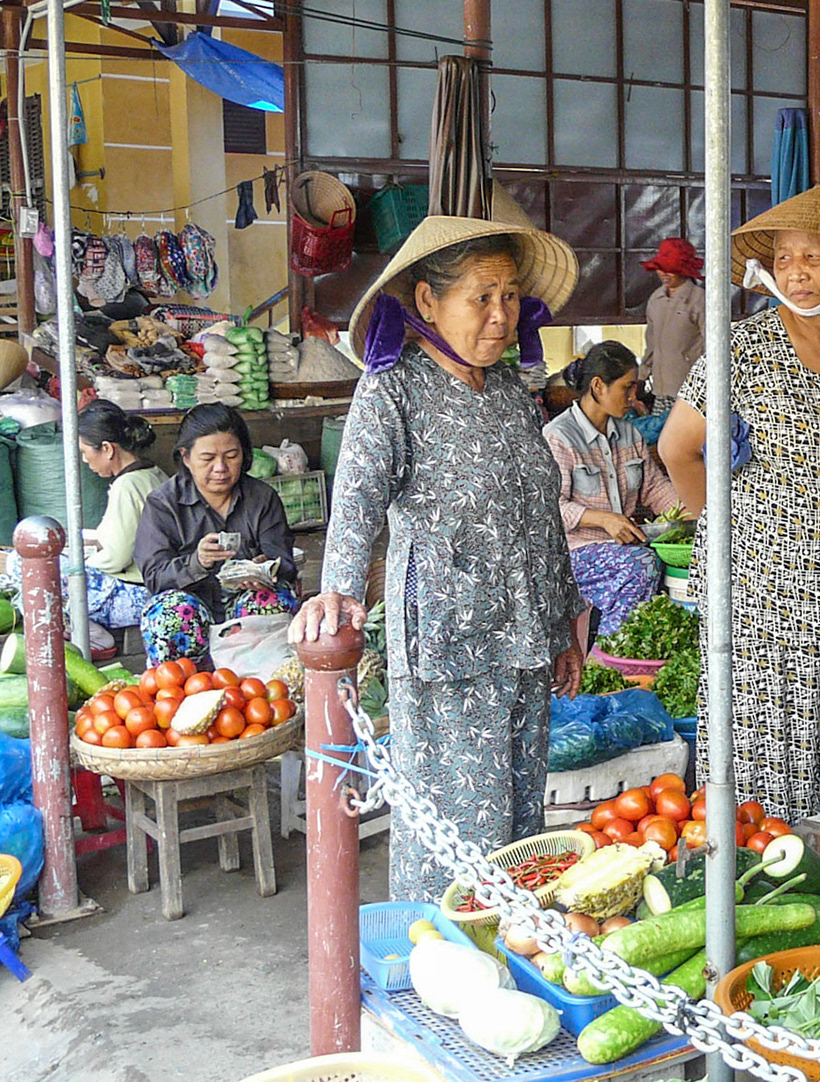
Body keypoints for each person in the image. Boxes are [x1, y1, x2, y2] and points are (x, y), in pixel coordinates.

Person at [289, 215, 585, 902]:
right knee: (456, 829)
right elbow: (358, 500)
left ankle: (511, 947)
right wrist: (336, 590)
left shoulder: (511, 389)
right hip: (452, 645)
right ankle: (443, 960)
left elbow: (540, 511)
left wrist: (567, 621)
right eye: (481, 297)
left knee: (520, 821)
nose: (500, 315)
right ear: (427, 301)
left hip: (528, 637)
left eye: (510, 296)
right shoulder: (394, 390)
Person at [658, 184, 820, 821]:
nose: (794, 273)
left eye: (812, 258)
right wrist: (719, 534)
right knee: (773, 738)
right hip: (772, 583)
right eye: (783, 260)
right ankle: (767, 871)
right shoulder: (741, 349)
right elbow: (678, 449)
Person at [135, 404, 298, 666]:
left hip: (243, 607)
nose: (220, 467)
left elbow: (285, 562)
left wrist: (264, 570)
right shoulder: (163, 504)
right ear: (186, 457)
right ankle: (181, 689)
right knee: (171, 613)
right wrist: (197, 562)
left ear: (244, 454)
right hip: (191, 607)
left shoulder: (262, 498)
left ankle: (261, 685)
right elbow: (155, 576)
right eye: (208, 458)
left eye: (231, 456)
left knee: (275, 598)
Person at [545, 340, 679, 631]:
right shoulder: (558, 437)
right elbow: (550, 509)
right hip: (573, 554)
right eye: (626, 387)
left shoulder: (629, 433)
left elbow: (654, 488)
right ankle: (609, 660)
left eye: (635, 388)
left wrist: (693, 515)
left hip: (623, 548)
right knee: (639, 566)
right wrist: (603, 520)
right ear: (597, 386)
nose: (633, 396)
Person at [0, 399, 163, 633]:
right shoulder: (152, 473)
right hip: (150, 585)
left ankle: (79, 633)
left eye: (85, 452)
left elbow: (115, 558)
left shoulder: (127, 486)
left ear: (107, 449)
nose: (85, 461)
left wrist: (77, 564)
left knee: (22, 563)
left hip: (135, 594)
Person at [641, 238, 706, 413]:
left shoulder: (699, 299)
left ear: (684, 270)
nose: (664, 274)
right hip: (660, 389)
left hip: (690, 389)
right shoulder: (656, 299)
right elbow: (651, 343)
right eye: (661, 268)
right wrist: (642, 375)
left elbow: (712, 345)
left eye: (671, 270)